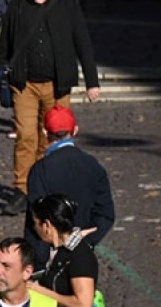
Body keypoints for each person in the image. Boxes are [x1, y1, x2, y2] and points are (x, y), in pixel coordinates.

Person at [0, 0, 101, 215]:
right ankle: (22, 190)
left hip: (57, 84)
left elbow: (82, 43)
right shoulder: (18, 6)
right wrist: (1, 81)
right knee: (26, 137)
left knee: (52, 137)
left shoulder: (68, 5)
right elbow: (4, 46)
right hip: (25, 84)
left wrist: (92, 81)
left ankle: (48, 188)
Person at [24, 105, 115, 266]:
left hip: (50, 255)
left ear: (45, 132)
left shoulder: (40, 170)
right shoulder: (93, 166)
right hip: (82, 253)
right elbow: (105, 214)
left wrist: (37, 262)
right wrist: (83, 242)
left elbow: (36, 220)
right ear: (75, 130)